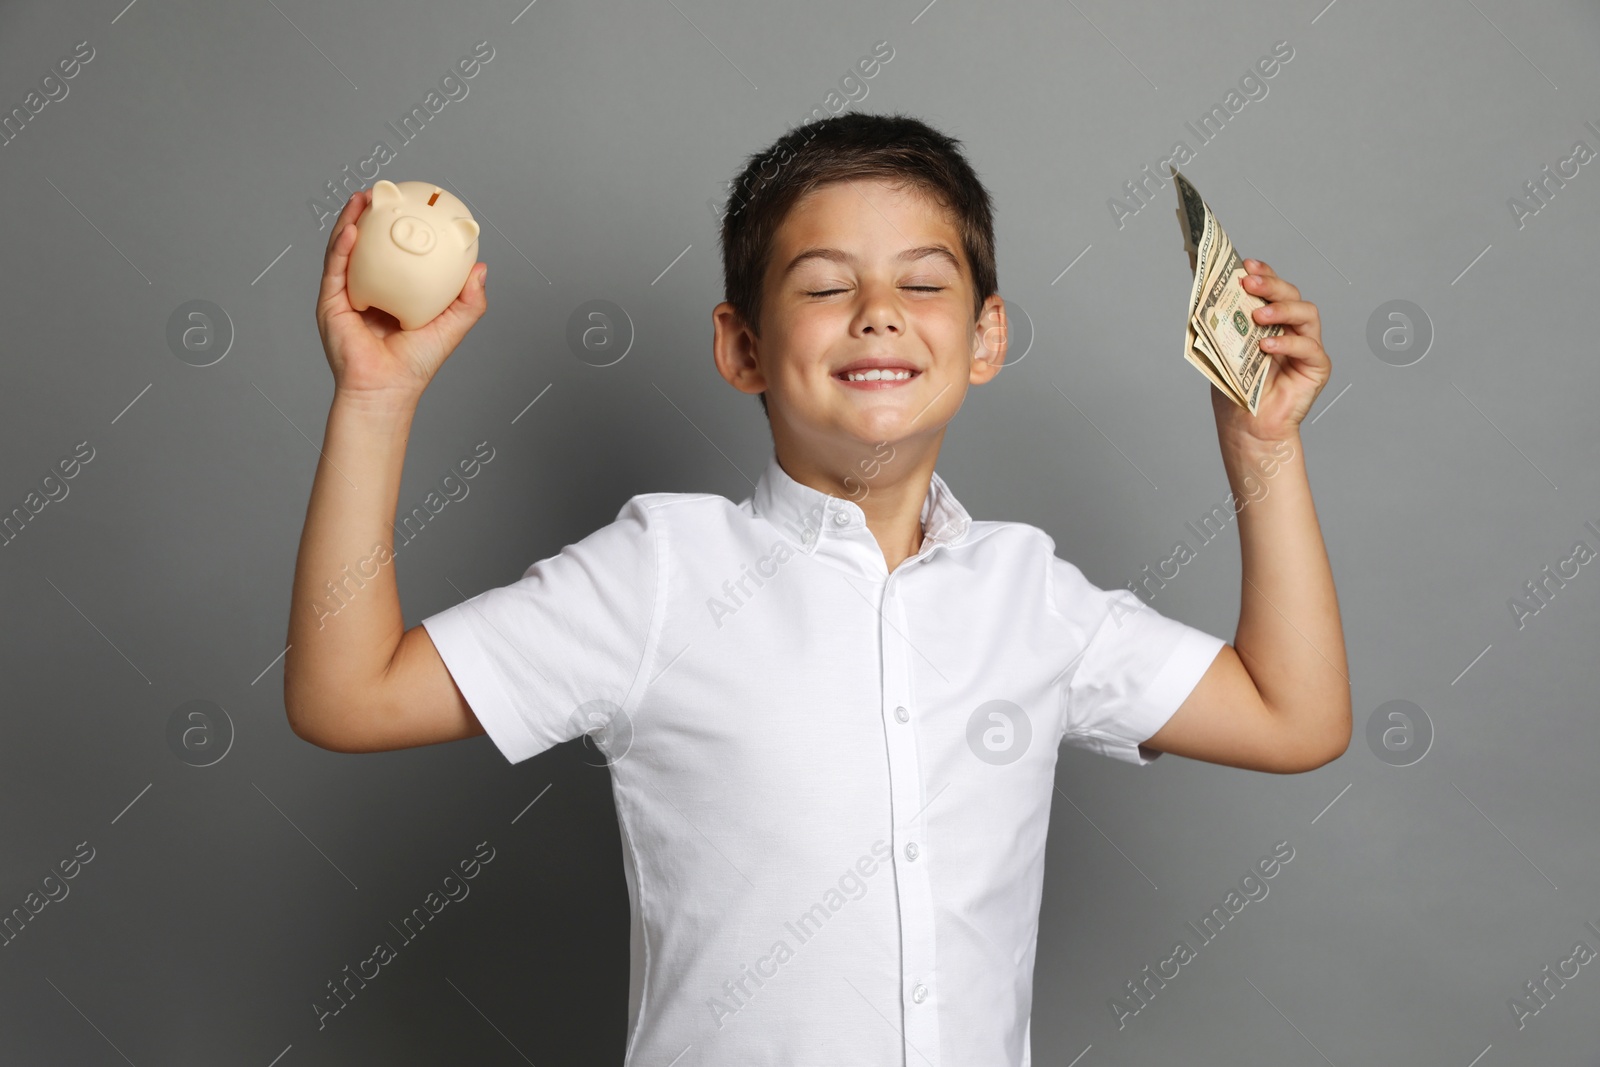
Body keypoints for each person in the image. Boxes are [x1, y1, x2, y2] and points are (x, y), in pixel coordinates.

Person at [285, 111, 1349, 1065]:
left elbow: (1291, 715)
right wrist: (375, 398)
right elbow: (348, 694)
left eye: (924, 283)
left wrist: (1263, 446)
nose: (878, 313)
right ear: (742, 346)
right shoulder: (659, 573)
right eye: (827, 285)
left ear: (985, 338)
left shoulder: (1030, 595)